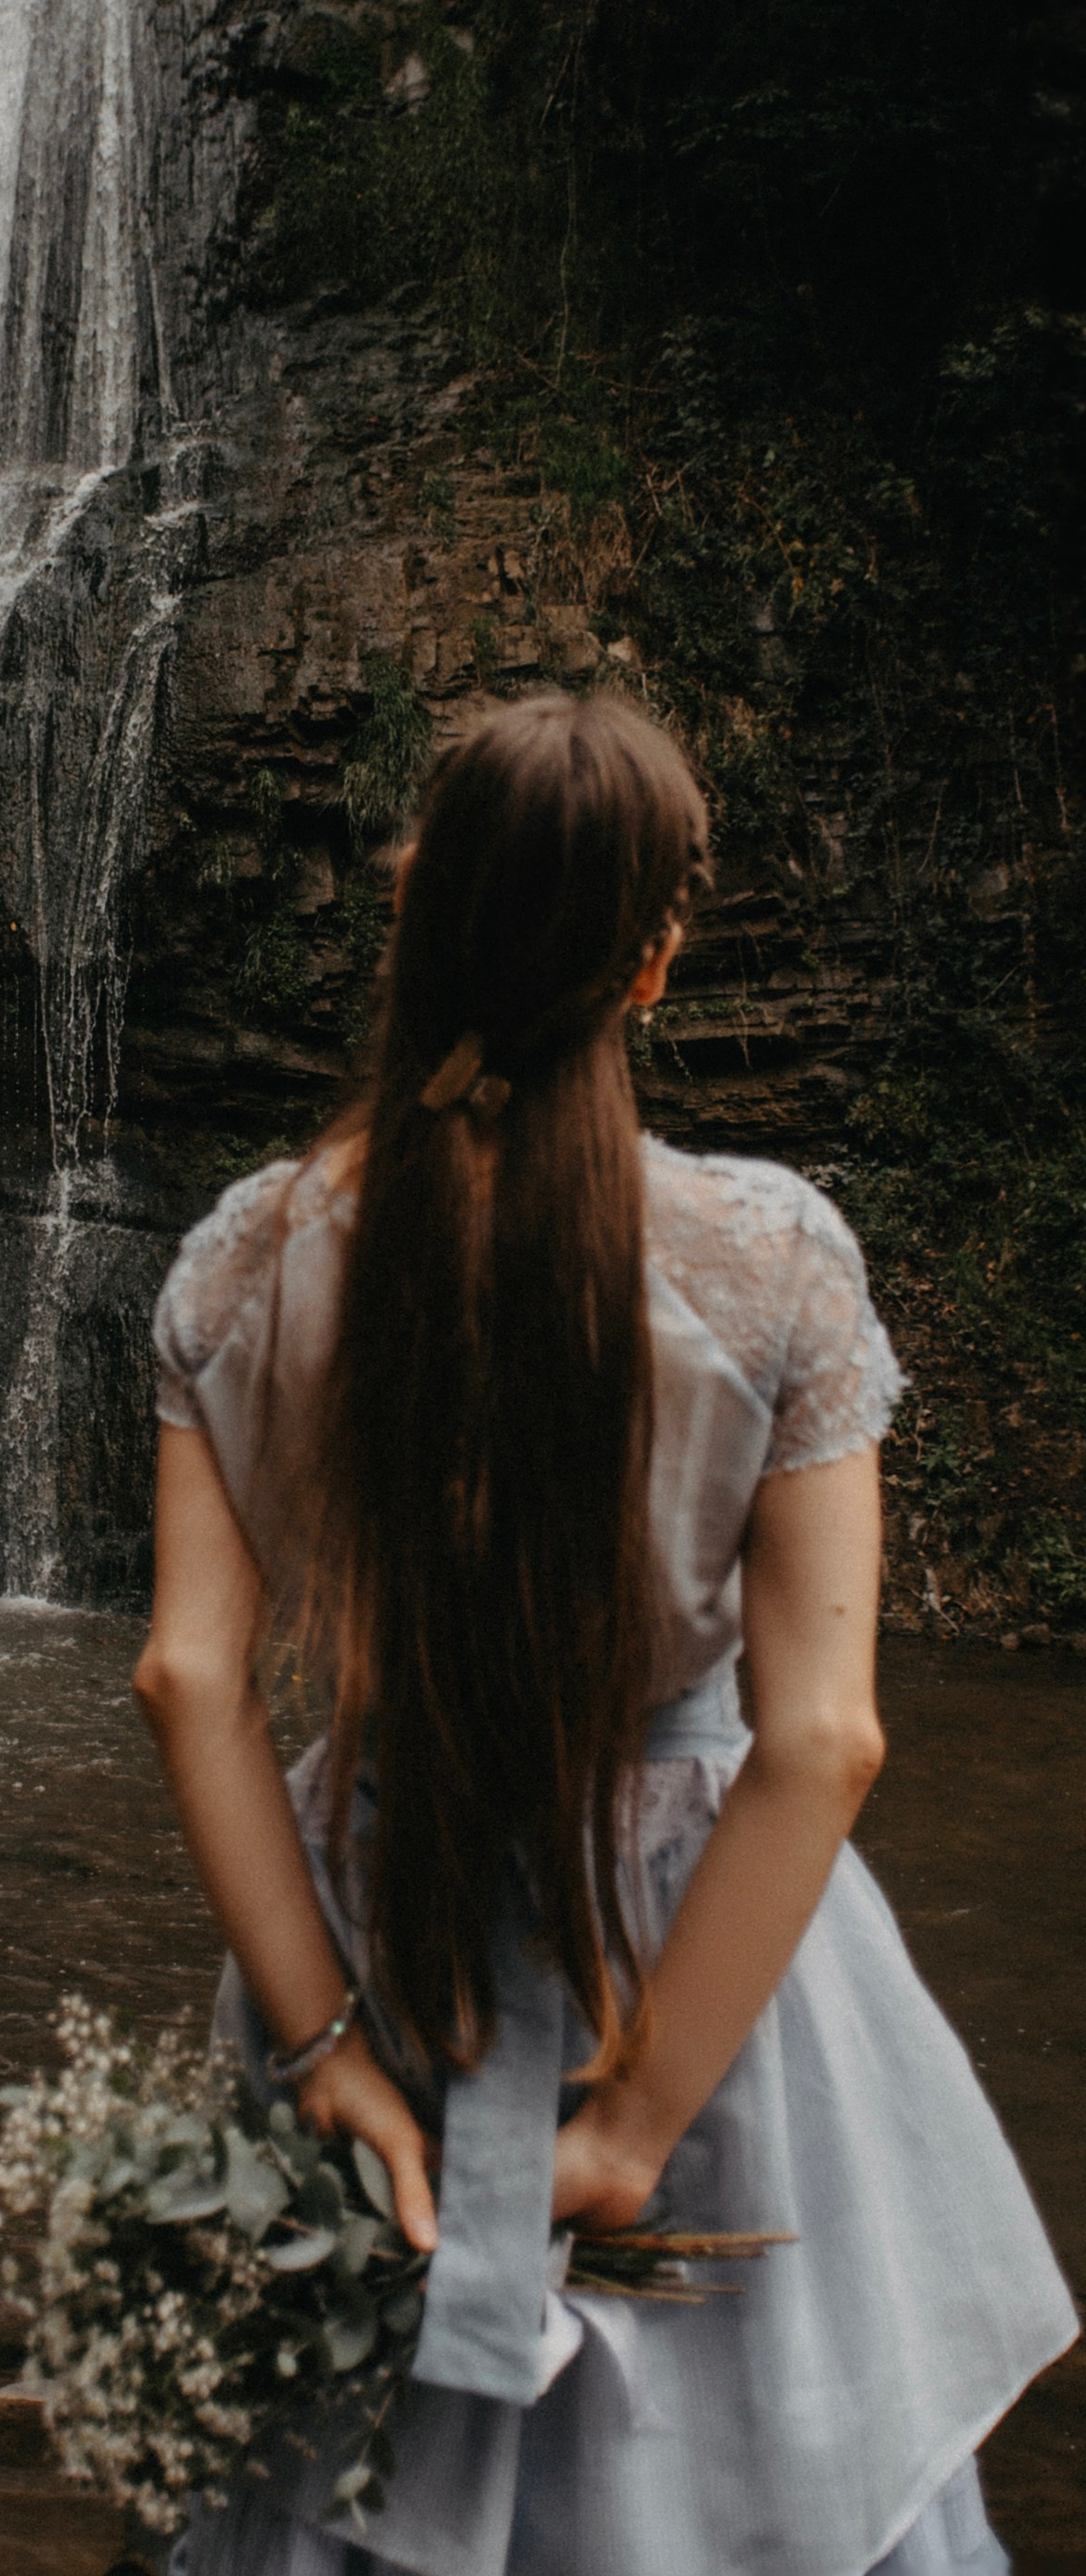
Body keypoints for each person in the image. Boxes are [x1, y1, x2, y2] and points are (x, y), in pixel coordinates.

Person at [134, 692, 1076, 2576]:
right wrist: (638, 2122)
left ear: (408, 902)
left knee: (319, 2479)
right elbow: (821, 1741)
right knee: (753, 2483)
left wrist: (325, 2054)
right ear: (654, 965)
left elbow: (191, 1677)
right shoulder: (774, 1264)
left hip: (381, 1927)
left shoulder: (244, 1259)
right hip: (695, 1967)